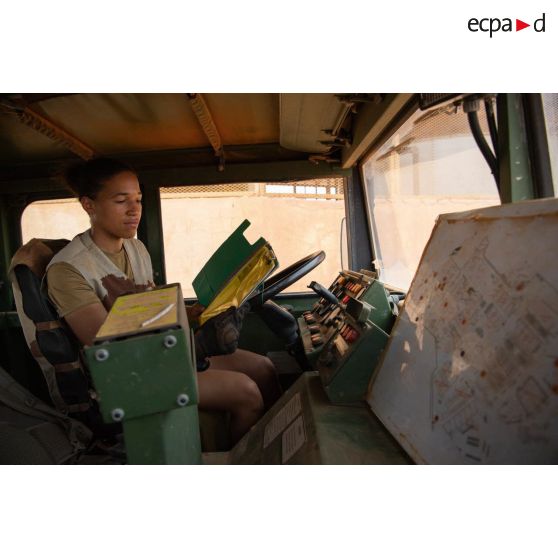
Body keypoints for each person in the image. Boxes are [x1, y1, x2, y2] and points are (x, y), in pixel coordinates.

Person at [46, 158, 280, 443]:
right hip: (125, 377)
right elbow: (105, 345)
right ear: (89, 205)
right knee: (246, 392)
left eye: (138, 200)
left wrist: (199, 314)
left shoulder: (136, 248)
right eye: (121, 201)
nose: (134, 211)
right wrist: (199, 346)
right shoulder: (68, 269)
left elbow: (154, 308)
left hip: (163, 355)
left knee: (264, 370)